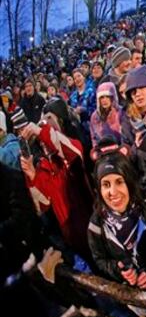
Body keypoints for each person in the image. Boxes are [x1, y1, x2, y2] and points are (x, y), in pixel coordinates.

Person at [18, 98, 93, 257]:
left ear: (61, 121)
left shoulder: (74, 148)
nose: (44, 122)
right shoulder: (44, 165)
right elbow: (42, 205)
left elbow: (66, 148)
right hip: (69, 238)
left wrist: (41, 131)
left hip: (93, 233)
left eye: (49, 118)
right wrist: (32, 176)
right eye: (42, 119)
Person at [88, 144, 146, 292]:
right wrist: (118, 271)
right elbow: (99, 259)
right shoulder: (97, 222)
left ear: (129, 182)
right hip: (134, 297)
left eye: (119, 182)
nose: (113, 192)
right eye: (106, 185)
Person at [121, 65, 146, 147]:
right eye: (133, 91)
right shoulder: (127, 121)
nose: (137, 94)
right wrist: (137, 147)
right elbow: (126, 149)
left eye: (141, 88)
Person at [89, 82, 123, 147]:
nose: (104, 100)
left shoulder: (121, 112)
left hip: (119, 149)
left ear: (113, 97)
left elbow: (125, 137)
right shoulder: (95, 116)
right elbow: (94, 138)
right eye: (102, 97)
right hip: (102, 151)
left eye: (107, 96)